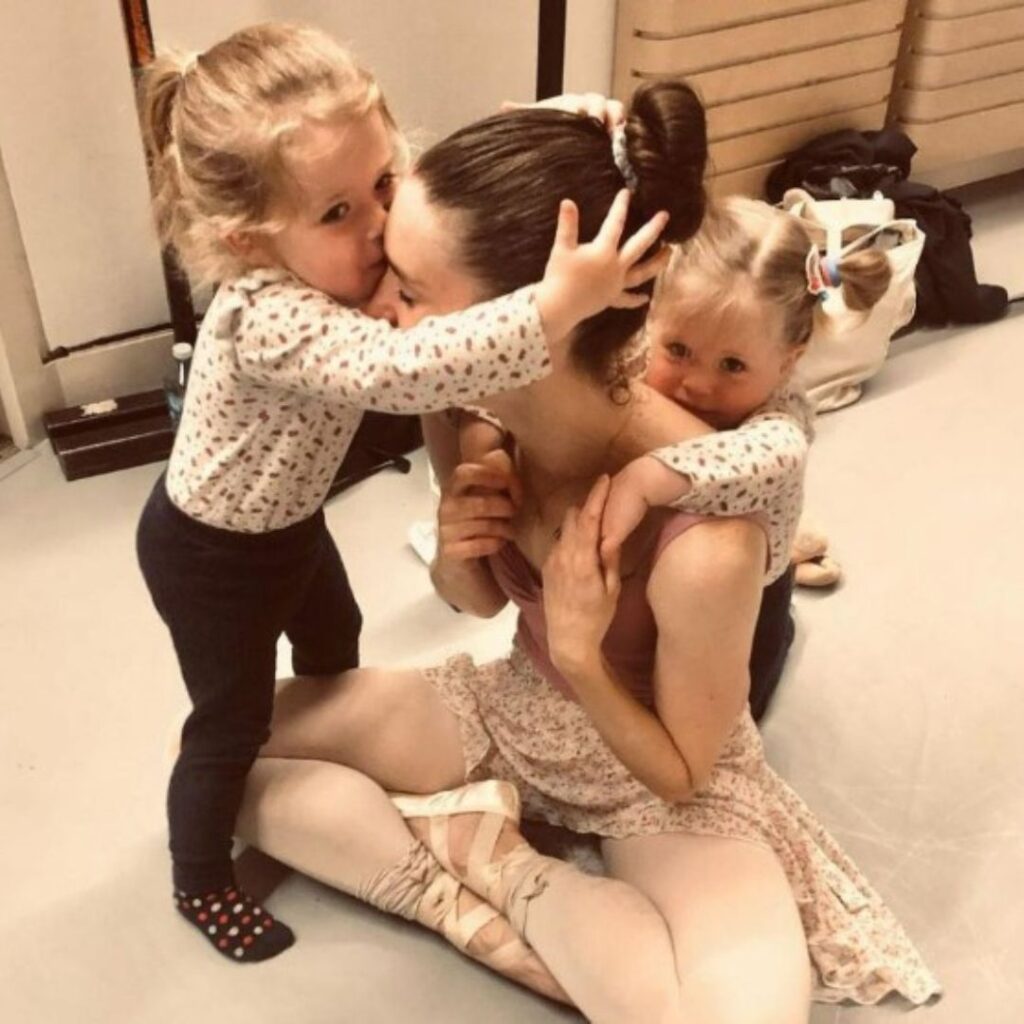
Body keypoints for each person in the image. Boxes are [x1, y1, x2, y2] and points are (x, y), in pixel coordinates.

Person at [237, 83, 940, 1019]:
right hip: (517, 707)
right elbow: (483, 602)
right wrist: (458, 549)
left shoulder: (706, 520)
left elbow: (684, 770)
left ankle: (511, 882)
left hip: (656, 767)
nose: (373, 318)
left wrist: (580, 652)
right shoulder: (465, 402)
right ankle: (480, 875)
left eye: (409, 294)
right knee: (218, 757)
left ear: (529, 325)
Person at [134, 21, 668, 963]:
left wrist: (561, 117)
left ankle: (336, 747)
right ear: (245, 238)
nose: (380, 222)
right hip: (212, 554)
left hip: (292, 525)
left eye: (378, 182)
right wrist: (555, 304)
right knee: (230, 719)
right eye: (338, 214)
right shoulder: (268, 315)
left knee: (334, 644)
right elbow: (407, 369)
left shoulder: (342, 217)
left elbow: (436, 174)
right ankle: (198, 876)